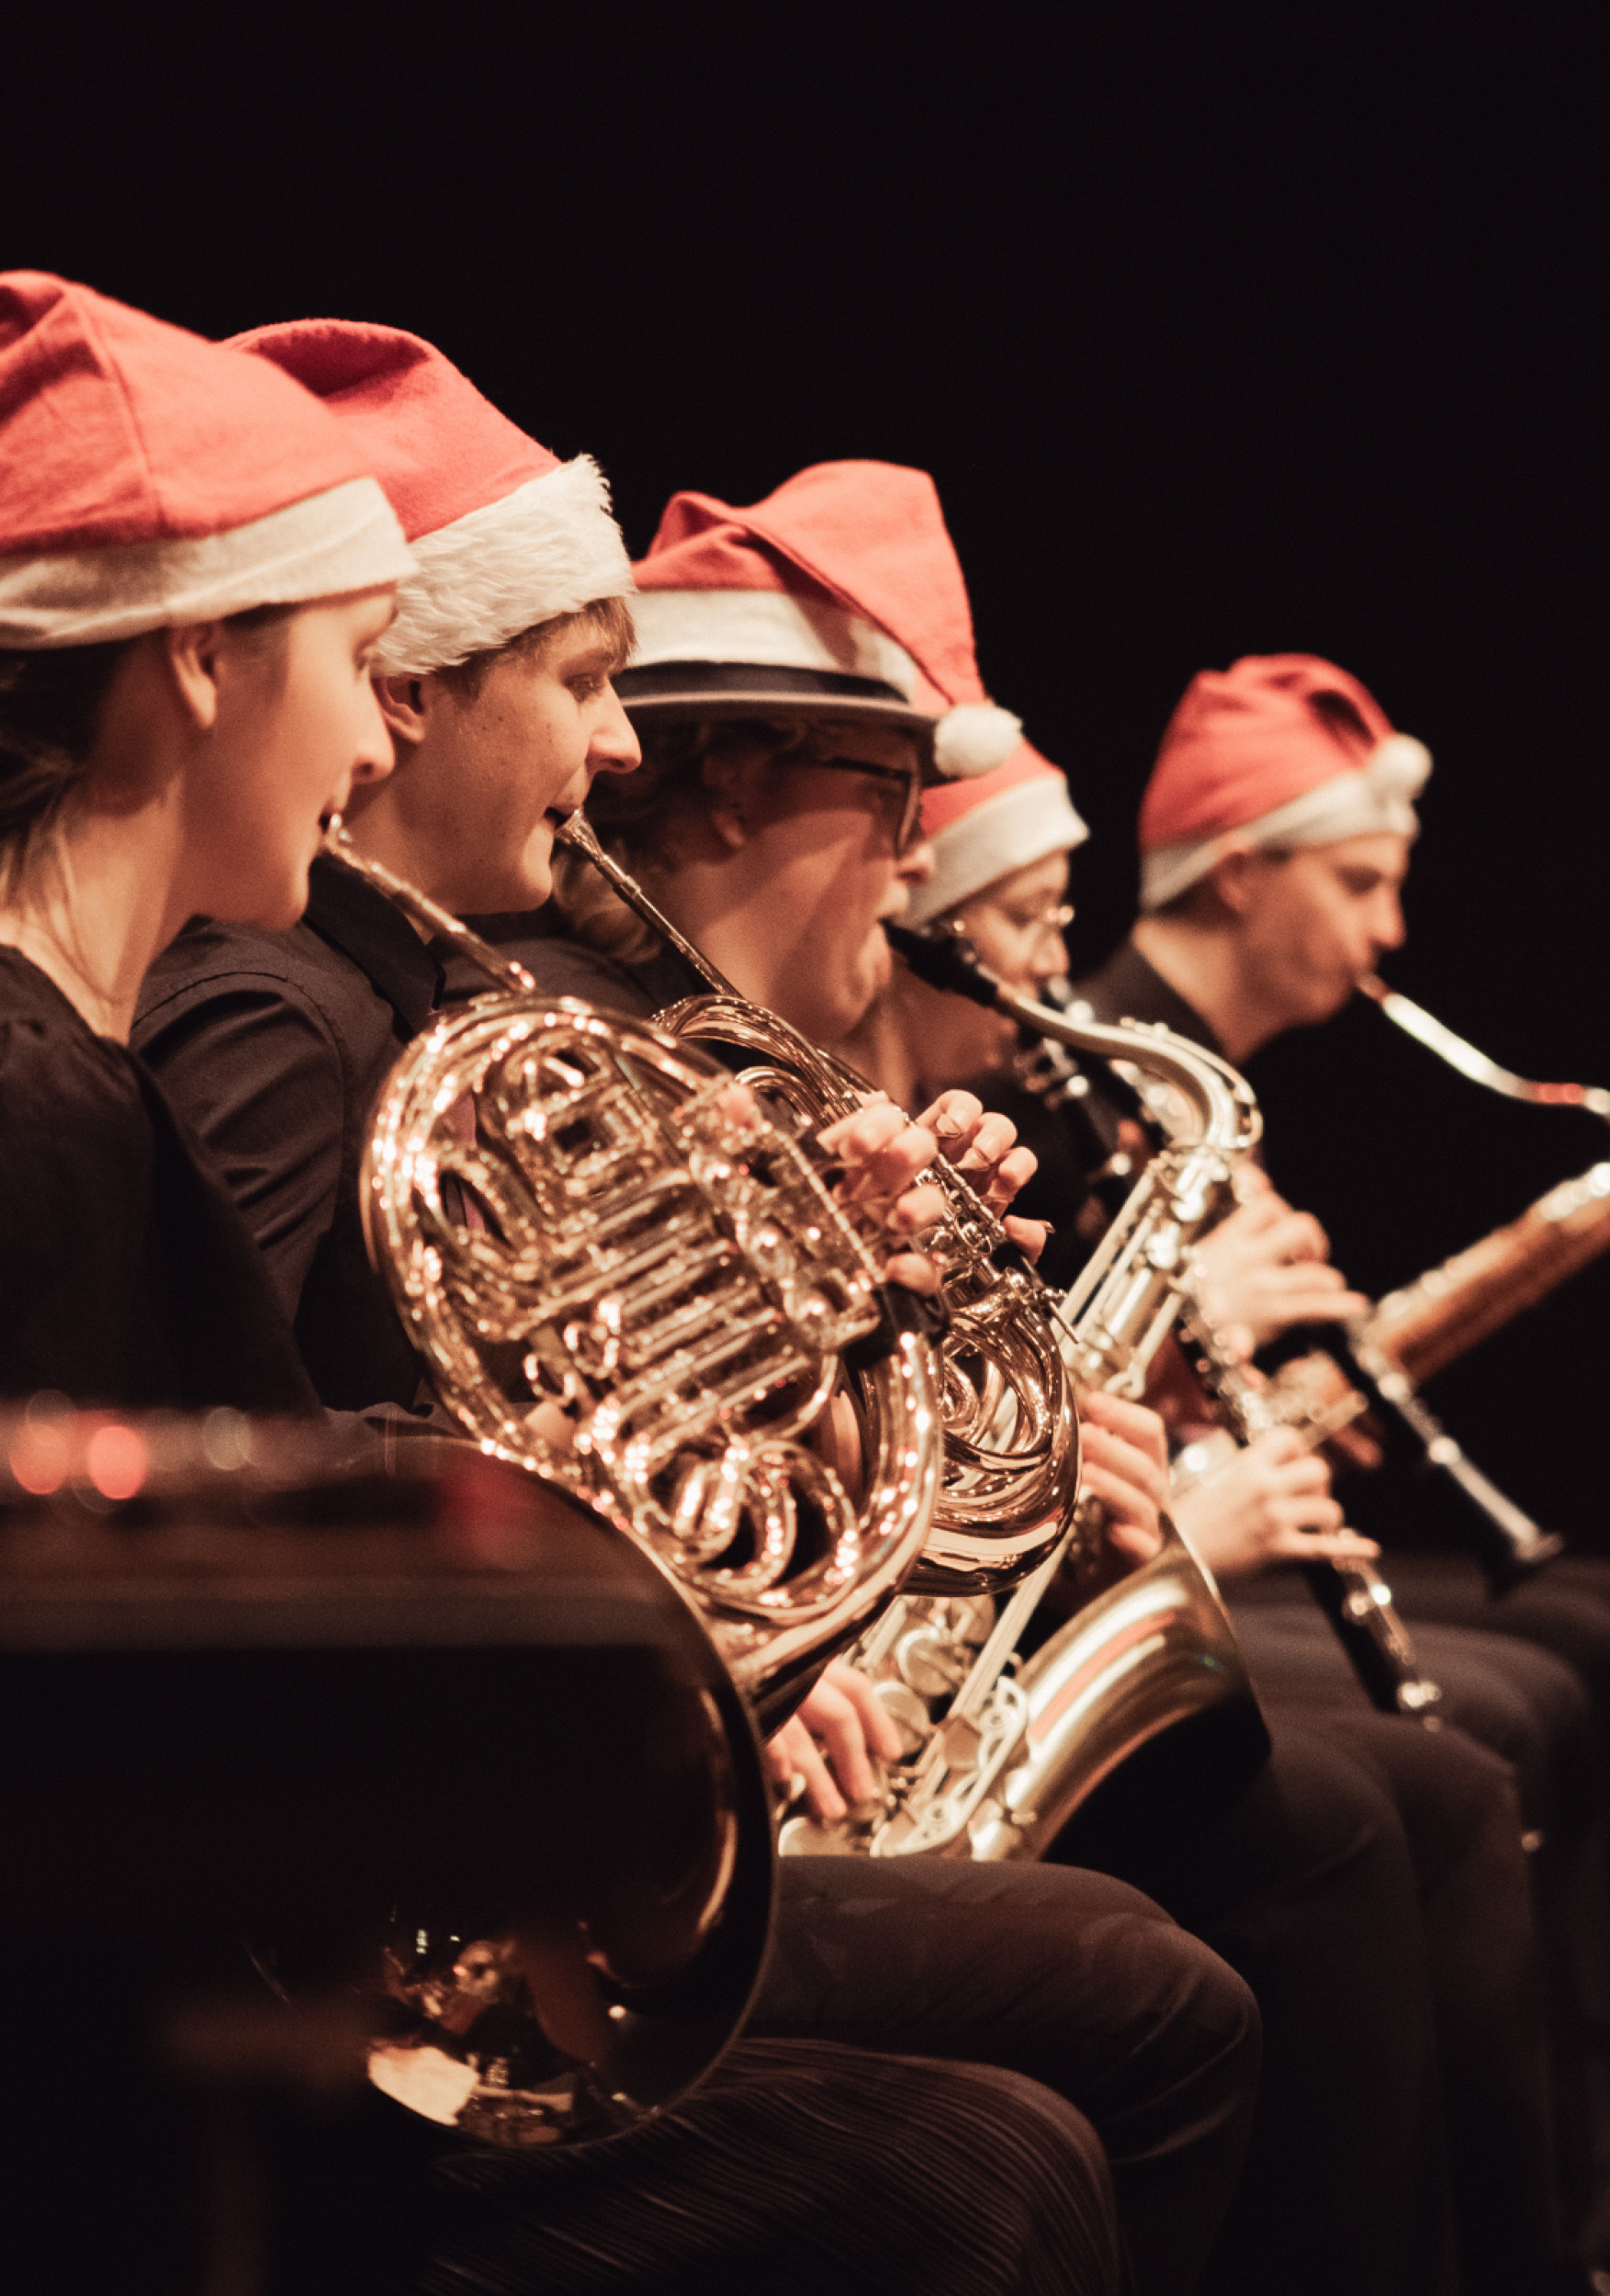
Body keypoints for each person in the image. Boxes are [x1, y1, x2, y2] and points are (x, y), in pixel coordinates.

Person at [135, 335, 1259, 2296]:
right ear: (409, 689)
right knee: (1084, 2071)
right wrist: (657, 1625)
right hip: (380, 1915)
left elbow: (491, 1404)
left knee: (1129, 2006)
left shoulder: (424, 997)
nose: (619, 744)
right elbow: (245, 1455)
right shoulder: (279, 1009)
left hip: (527, 1804)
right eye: (582, 682)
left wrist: (848, 1303)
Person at [512, 456, 1574, 2294]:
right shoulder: (577, 1045)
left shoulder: (736, 1056)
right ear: (736, 785)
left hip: (804, 1709)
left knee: (1388, 1794)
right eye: (893, 800)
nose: (921, 862)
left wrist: (950, 1357)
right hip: (675, 1797)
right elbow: (569, 1456)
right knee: (1253, 1909)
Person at [1091, 652, 1610, 2223]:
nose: (1392, 936)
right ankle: (1539, 2213)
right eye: (1361, 884)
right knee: (1498, 1720)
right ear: (1244, 872)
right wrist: (1191, 1386)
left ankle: (1599, 2172)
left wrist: (1252, 1396)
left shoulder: (1188, 1083)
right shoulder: (1100, 1068)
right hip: (1132, 1571)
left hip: (1189, 1528)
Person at [0, 269, 413, 1411]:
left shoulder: (62, 1074)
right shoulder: (37, 1102)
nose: (375, 748)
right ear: (201, 656)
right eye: (359, 659)